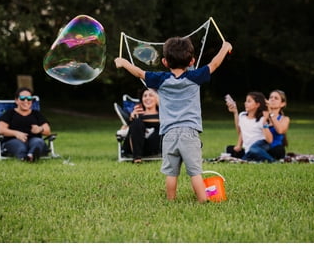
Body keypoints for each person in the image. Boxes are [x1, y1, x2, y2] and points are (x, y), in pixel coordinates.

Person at [115, 37, 232, 203]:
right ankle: (203, 201)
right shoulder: (195, 77)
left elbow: (140, 73)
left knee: (171, 173)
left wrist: (123, 62)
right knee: (195, 172)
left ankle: (171, 200)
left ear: (164, 62)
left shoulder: (161, 79)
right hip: (189, 133)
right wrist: (225, 47)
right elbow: (214, 64)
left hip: (168, 134)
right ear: (192, 61)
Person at [0, 87, 51, 162]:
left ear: (31, 101)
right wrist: (16, 133)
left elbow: (48, 131)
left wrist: (40, 129)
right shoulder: (10, 113)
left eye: (29, 98)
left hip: (33, 139)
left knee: (38, 142)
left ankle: (30, 156)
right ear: (16, 100)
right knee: (20, 146)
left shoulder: (36, 114)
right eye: (22, 98)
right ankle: (25, 157)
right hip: (13, 140)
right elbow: (1, 130)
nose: (26, 101)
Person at [244, 89, 290, 162]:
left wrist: (270, 113)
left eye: (276, 98)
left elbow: (280, 130)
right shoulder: (261, 116)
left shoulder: (284, 119)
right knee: (232, 149)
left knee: (254, 150)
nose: (272, 99)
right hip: (260, 146)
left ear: (282, 104)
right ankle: (259, 156)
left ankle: (256, 156)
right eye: (271, 97)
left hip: (275, 149)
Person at [225, 91, 270, 160]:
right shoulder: (242, 116)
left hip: (261, 148)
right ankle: (247, 156)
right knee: (229, 148)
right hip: (248, 149)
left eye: (249, 101)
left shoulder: (261, 119)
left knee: (253, 149)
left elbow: (269, 140)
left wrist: (265, 121)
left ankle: (271, 160)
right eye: (246, 101)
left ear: (257, 104)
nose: (245, 103)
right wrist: (239, 145)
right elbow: (241, 132)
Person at [122, 88, 161, 163]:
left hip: (154, 147)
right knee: (137, 123)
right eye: (145, 96)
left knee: (162, 126)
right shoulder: (136, 115)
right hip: (134, 147)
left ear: (157, 99)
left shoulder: (163, 115)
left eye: (151, 95)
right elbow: (123, 129)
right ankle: (137, 158)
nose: (147, 98)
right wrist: (131, 119)